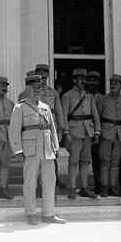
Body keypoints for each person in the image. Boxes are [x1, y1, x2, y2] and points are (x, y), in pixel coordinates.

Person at [9, 74, 65, 225]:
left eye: (39, 88)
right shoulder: (20, 107)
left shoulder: (45, 107)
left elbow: (52, 129)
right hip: (30, 149)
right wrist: (18, 150)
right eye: (34, 88)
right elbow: (14, 131)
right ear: (27, 89)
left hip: (47, 149)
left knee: (50, 181)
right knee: (30, 182)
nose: (37, 91)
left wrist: (56, 146)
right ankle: (31, 213)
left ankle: (48, 213)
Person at [61, 68, 100, 199]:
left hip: (88, 132)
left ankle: (84, 187)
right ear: (74, 80)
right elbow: (63, 117)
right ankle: (72, 188)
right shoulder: (67, 96)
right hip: (74, 132)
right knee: (73, 161)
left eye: (84, 79)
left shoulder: (89, 96)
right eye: (81, 79)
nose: (84, 81)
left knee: (85, 161)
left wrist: (97, 132)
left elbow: (95, 116)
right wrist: (66, 133)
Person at [96, 74, 121, 197]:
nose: (112, 85)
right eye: (111, 83)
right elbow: (98, 116)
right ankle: (104, 187)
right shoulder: (103, 99)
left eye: (116, 83)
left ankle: (113, 186)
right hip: (106, 133)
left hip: (120, 134)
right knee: (105, 161)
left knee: (116, 162)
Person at [36, 64, 67, 192]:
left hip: (51, 128)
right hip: (37, 128)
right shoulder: (32, 91)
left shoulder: (53, 93)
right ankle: (38, 184)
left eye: (44, 75)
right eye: (40, 75)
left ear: (48, 76)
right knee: (37, 158)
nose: (42, 78)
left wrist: (61, 129)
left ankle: (54, 179)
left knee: (52, 156)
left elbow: (59, 111)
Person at [86, 71, 104, 195]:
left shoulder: (102, 98)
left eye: (94, 80)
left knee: (98, 160)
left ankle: (99, 185)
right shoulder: (83, 96)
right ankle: (84, 186)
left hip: (98, 133)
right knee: (83, 160)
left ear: (98, 82)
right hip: (85, 132)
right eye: (90, 79)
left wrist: (98, 132)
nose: (92, 82)